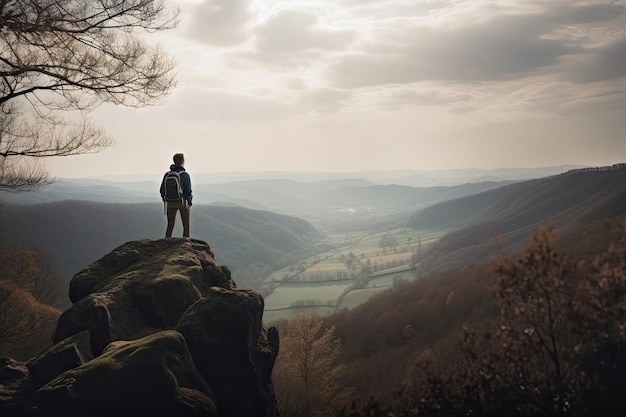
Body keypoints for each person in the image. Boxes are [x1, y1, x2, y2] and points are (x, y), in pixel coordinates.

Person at [160, 153, 193, 237]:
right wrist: (189, 201)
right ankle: (185, 244)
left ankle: (166, 243)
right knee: (186, 225)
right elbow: (188, 191)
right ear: (182, 161)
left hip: (170, 202)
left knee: (170, 225)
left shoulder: (167, 175)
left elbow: (162, 190)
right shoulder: (185, 175)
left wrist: (165, 199)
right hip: (182, 203)